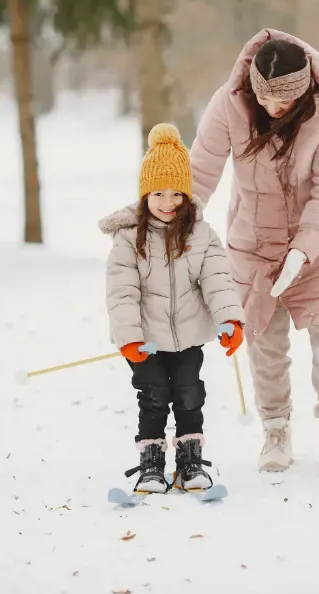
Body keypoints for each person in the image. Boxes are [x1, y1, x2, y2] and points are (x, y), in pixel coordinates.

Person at [189, 28, 319, 475]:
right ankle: (275, 430)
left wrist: (303, 252)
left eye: (282, 102)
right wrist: (176, 223)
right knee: (264, 340)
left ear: (304, 90)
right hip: (254, 242)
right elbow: (202, 167)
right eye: (264, 99)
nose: (272, 109)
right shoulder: (229, 102)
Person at [100, 122, 245, 494]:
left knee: (189, 393)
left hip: (188, 336)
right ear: (145, 195)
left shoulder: (200, 234)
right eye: (158, 193)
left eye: (177, 193)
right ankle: (151, 465)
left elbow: (217, 278)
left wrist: (229, 318)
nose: (168, 203)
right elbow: (122, 292)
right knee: (153, 398)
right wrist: (129, 337)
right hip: (145, 341)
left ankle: (190, 462)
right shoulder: (129, 239)